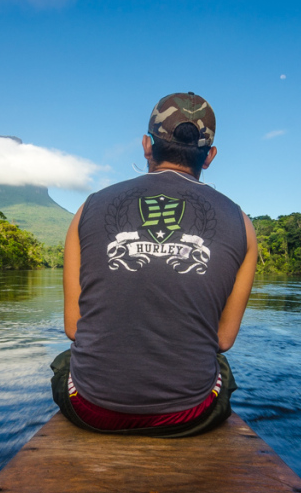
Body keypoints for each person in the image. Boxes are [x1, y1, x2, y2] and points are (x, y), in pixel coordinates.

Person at [50, 92, 257, 437]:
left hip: (92, 410)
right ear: (210, 157)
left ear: (147, 145)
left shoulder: (88, 208)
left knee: (65, 362)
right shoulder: (242, 222)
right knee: (220, 365)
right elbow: (222, 340)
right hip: (189, 415)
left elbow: (74, 328)